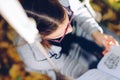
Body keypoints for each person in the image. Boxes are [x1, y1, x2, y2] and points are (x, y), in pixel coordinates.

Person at [13, 0, 120, 80]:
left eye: (68, 18)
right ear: (41, 36)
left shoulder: (60, 2)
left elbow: (78, 10)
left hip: (82, 28)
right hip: (61, 56)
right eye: (61, 33)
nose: (70, 29)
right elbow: (64, 64)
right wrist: (90, 75)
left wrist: (95, 32)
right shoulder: (34, 56)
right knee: (94, 65)